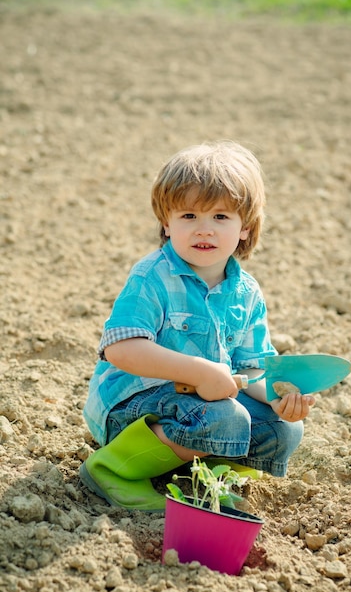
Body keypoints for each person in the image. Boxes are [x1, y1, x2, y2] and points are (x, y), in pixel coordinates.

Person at [80, 140, 315, 511]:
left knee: (282, 429)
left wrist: (278, 396)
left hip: (202, 408)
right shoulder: (152, 277)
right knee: (224, 417)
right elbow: (120, 348)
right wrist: (198, 371)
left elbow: (253, 368)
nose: (203, 230)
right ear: (166, 222)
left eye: (220, 217)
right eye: (189, 216)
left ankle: (208, 473)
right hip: (133, 406)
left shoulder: (246, 292)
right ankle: (114, 469)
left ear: (245, 227)